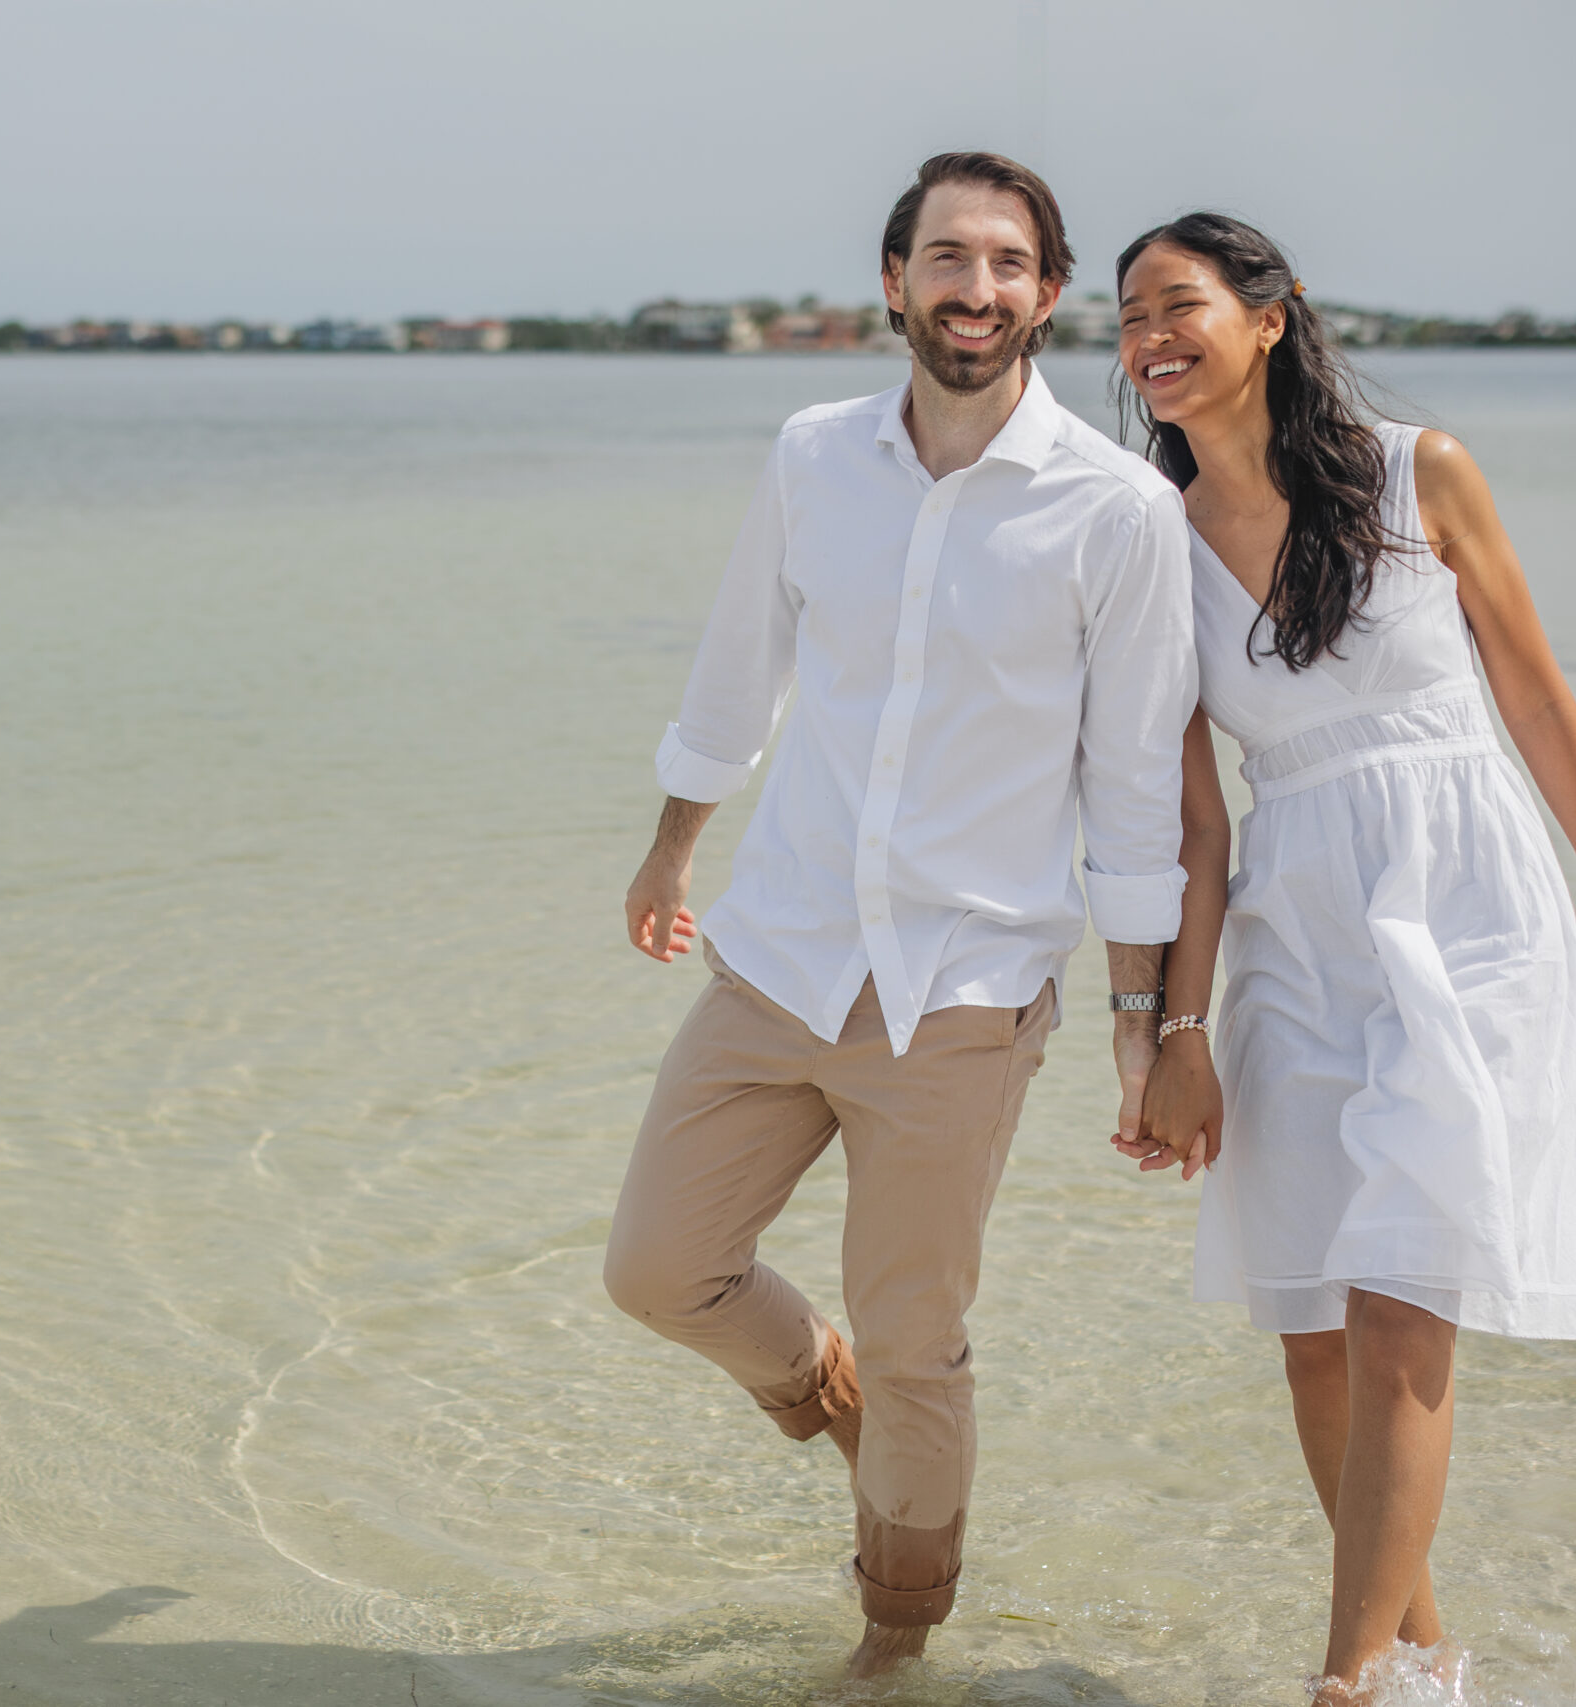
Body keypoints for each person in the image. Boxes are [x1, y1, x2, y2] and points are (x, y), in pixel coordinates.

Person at [604, 152, 1200, 1680]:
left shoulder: (1118, 510)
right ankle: (824, 1387)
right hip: (782, 952)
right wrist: (674, 849)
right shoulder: (813, 454)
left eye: (1007, 264)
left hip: (966, 989)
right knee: (661, 1269)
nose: (976, 289)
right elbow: (743, 667)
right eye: (948, 257)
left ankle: (893, 1639)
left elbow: (1134, 793)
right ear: (895, 280)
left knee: (924, 1341)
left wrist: (1147, 1031)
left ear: (1046, 295)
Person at [1114, 212, 1576, 1703]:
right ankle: (1426, 1661)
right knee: (1309, 1321)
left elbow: (1546, 708)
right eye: (1125, 321)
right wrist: (1172, 1033)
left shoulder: (1421, 473)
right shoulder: (1145, 546)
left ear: (1272, 318)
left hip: (1470, 905)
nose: (1148, 341)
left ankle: (1346, 1682)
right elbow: (1192, 831)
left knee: (1400, 1293)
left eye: (1176, 305)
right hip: (1296, 925)